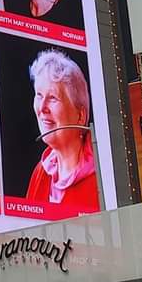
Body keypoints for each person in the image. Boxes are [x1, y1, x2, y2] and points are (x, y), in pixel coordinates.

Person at [25, 50, 98, 211]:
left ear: (80, 115)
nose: (42, 108)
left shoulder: (102, 173)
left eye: (52, 98)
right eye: (39, 95)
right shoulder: (40, 173)